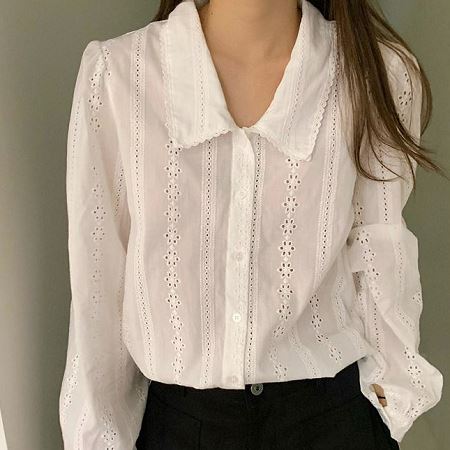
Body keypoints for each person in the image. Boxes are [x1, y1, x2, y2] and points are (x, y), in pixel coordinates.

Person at [59, 0, 445, 448]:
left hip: (334, 419)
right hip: (179, 425)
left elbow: (380, 249)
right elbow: (98, 283)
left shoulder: (378, 73)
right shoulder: (117, 75)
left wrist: (392, 406)